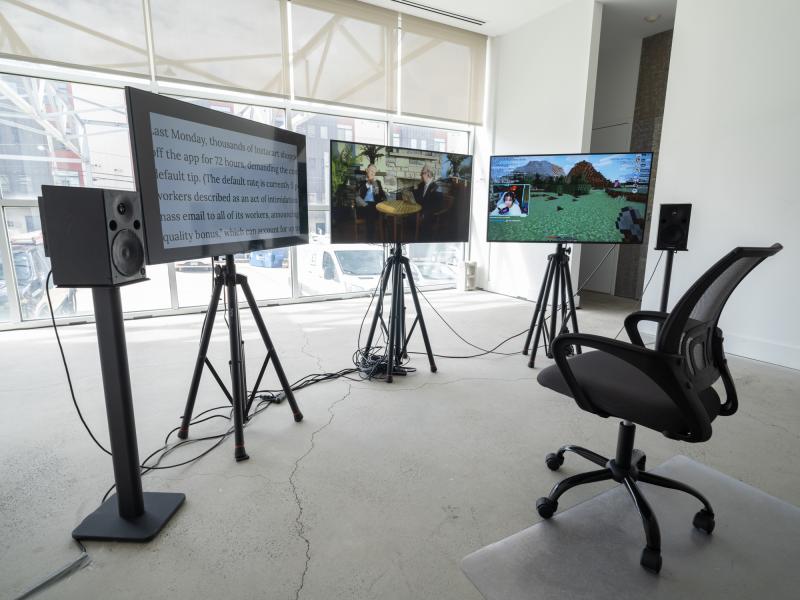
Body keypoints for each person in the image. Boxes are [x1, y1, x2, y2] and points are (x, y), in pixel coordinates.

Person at [354, 163, 386, 239]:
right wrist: (368, 183)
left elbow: (381, 196)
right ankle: (370, 237)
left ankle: (371, 236)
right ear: (366, 170)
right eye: (371, 170)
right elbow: (358, 196)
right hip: (363, 206)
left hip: (374, 207)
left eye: (374, 172)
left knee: (373, 208)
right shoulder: (361, 182)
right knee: (369, 208)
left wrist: (378, 190)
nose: (372, 173)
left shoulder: (377, 183)